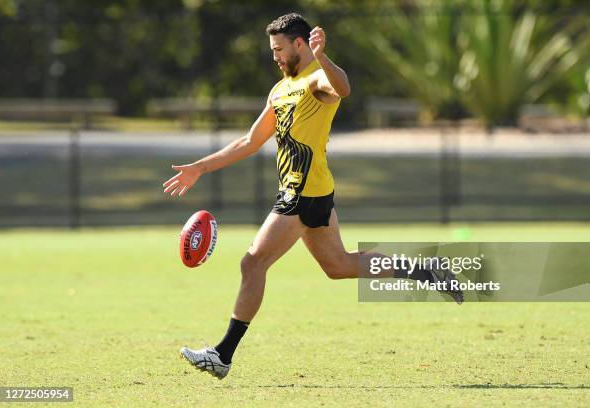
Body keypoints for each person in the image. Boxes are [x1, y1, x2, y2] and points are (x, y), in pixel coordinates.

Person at [162, 13, 462, 380]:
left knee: (252, 263)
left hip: (301, 192)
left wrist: (324, 57)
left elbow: (344, 87)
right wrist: (200, 168)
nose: (274, 55)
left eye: (278, 48)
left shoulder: (316, 79)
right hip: (311, 190)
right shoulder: (279, 90)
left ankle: (222, 354)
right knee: (339, 267)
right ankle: (425, 271)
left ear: (299, 45)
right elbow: (250, 141)